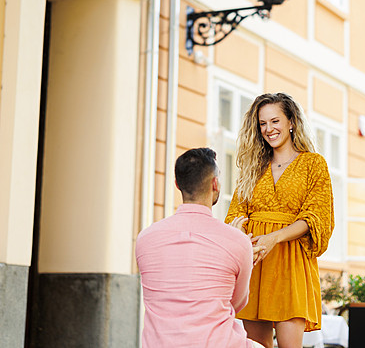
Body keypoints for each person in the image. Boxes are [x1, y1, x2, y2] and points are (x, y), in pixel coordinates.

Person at [225, 92, 335, 348]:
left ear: (291, 122)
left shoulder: (313, 164)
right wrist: (238, 228)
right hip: (255, 262)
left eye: (275, 121)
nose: (268, 129)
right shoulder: (254, 167)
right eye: (262, 123)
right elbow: (235, 212)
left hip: (291, 261)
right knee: (256, 347)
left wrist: (274, 237)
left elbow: (316, 216)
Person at [136, 147, 266, 348]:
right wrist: (238, 243)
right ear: (215, 184)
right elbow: (236, 303)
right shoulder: (237, 242)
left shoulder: (145, 239)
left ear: (178, 184)